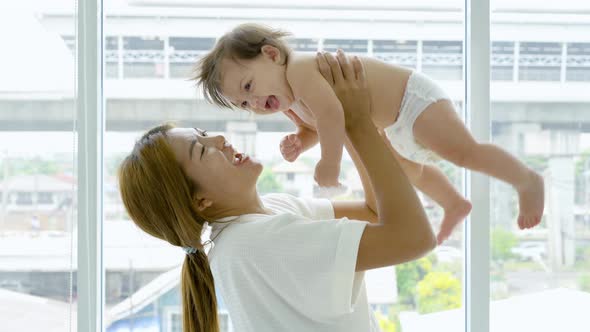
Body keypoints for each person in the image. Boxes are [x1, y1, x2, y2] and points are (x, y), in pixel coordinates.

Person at [118, 51, 436, 332]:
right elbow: (415, 238)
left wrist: (338, 117)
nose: (219, 140)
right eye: (201, 151)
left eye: (203, 134)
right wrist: (356, 123)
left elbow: (373, 213)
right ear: (200, 200)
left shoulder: (267, 213)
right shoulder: (256, 243)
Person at [193, 23, 545, 244]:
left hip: (411, 100)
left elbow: (332, 114)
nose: (254, 101)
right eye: (244, 102)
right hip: (392, 125)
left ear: (271, 55)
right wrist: (301, 139)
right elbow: (317, 124)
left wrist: (329, 165)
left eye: (249, 85)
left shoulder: (300, 71)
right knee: (409, 172)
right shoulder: (289, 101)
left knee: (464, 153)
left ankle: (526, 180)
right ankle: (453, 202)